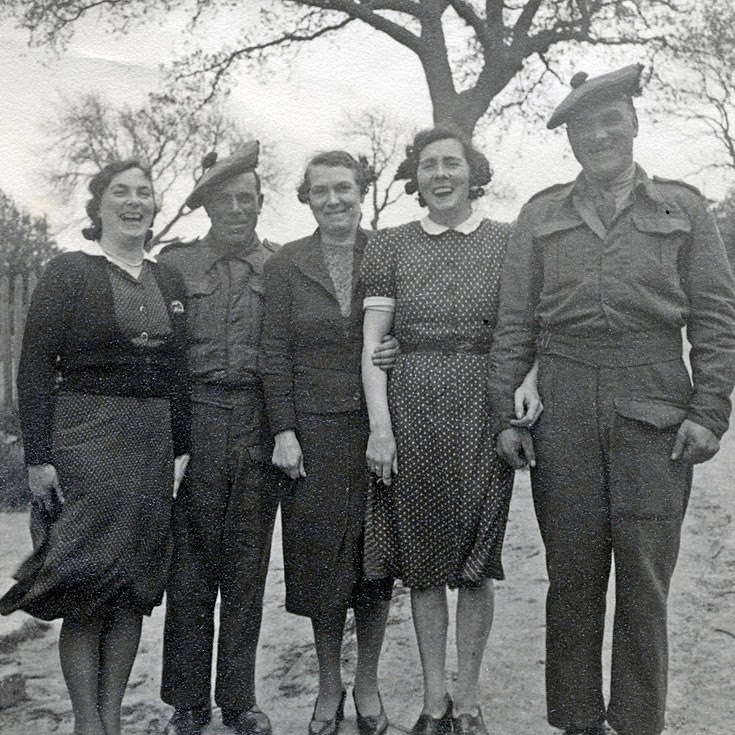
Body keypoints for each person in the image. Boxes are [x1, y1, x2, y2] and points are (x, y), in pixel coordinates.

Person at [487, 64, 735, 735]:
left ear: (632, 123)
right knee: (570, 576)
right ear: (568, 140)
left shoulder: (681, 209)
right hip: (563, 402)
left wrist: (709, 411)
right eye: (582, 126)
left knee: (644, 581)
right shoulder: (539, 214)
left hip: (652, 398)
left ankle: (636, 722)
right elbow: (514, 323)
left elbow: (714, 316)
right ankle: (575, 720)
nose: (598, 135)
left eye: (609, 119)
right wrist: (505, 416)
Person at [361, 126, 541, 735]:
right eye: (429, 165)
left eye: (452, 164)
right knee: (425, 555)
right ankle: (434, 699)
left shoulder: (507, 241)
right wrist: (380, 427)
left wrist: (528, 382)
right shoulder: (390, 245)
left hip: (482, 401)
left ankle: (468, 700)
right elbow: (372, 342)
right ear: (418, 177)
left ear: (473, 172)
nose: (441, 175)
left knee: (476, 556)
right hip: (412, 403)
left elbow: (530, 326)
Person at [0, 161, 191, 735]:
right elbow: (34, 367)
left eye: (144, 193)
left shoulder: (168, 279)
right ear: (99, 206)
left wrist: (179, 449)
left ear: (155, 207)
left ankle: (112, 718)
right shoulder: (69, 273)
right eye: (120, 193)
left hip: (149, 445)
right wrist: (38, 457)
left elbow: (177, 371)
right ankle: (89, 723)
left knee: (131, 586)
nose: (133, 203)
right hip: (84, 440)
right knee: (86, 583)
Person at [260, 151, 398, 735]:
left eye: (344, 188)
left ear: (362, 191)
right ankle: (326, 684)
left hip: (378, 427)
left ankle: (366, 683)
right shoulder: (287, 264)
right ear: (307, 198)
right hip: (313, 437)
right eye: (321, 191)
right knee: (321, 566)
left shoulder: (388, 252)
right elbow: (274, 351)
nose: (334, 200)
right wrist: (284, 430)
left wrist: (399, 351)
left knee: (373, 562)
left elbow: (408, 327)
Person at [157, 142, 281, 735]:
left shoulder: (280, 266)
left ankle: (238, 699)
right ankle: (187, 701)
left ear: (261, 204)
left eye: (248, 199)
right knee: (190, 568)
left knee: (247, 569)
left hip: (257, 422)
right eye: (226, 198)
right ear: (207, 204)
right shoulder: (175, 267)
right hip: (195, 422)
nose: (237, 209)